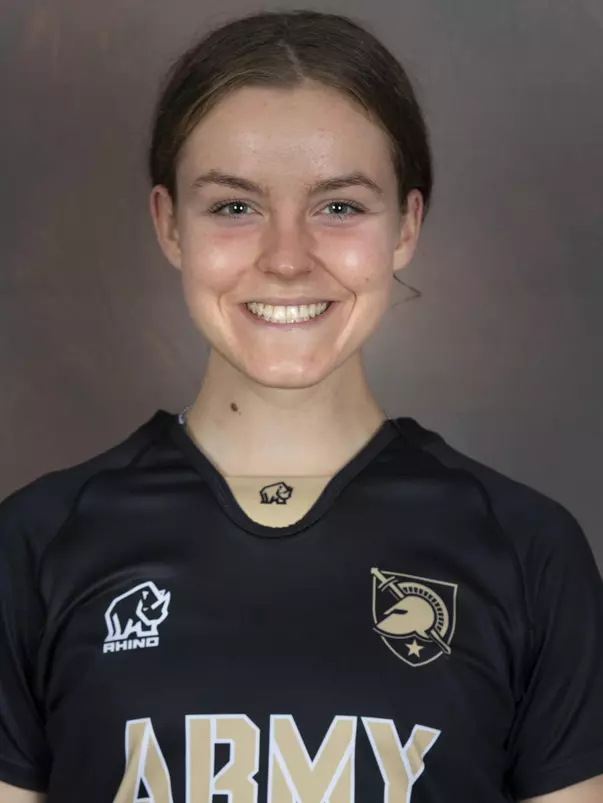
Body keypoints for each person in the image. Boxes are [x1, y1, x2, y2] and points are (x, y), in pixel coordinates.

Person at [1, 8, 602, 802]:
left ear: (405, 227)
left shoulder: (529, 553)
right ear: (169, 224)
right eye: (234, 206)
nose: (286, 259)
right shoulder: (35, 546)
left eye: (340, 206)